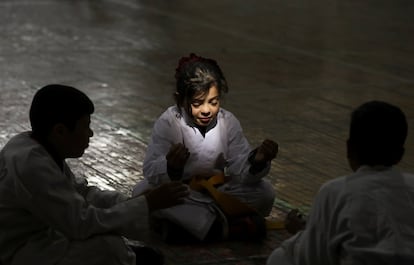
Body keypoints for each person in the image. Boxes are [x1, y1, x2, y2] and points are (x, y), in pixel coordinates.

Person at [0, 84, 189, 265]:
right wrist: (147, 204)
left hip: (38, 236)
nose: (90, 133)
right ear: (60, 131)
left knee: (108, 237)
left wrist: (140, 202)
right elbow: (80, 223)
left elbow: (81, 194)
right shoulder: (31, 165)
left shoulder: (33, 145)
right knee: (107, 247)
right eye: (85, 126)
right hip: (15, 251)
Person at [132, 53, 278, 242]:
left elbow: (239, 169)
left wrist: (257, 160)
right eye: (197, 103)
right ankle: (225, 226)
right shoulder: (168, 122)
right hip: (182, 193)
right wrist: (171, 167)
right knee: (141, 193)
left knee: (265, 193)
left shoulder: (228, 122)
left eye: (213, 102)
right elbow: (150, 170)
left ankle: (192, 228)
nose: (207, 110)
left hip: (217, 192)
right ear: (180, 100)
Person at [267, 100, 414, 265]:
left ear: (349, 149)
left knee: (279, 257)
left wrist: (301, 234)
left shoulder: (335, 191)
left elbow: (313, 258)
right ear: (400, 155)